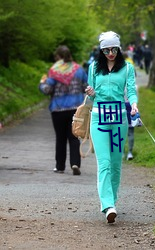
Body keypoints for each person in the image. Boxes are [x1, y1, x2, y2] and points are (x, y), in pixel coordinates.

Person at [85, 31, 138, 223]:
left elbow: (131, 90)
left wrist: (133, 104)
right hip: (99, 119)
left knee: (116, 163)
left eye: (114, 49)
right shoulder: (93, 68)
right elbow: (91, 97)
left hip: (119, 120)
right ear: (101, 50)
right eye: (106, 50)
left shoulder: (127, 68)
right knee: (104, 162)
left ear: (119, 48)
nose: (110, 53)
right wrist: (90, 92)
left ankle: (112, 201)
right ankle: (107, 205)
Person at [39, 45, 88, 175]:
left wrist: (42, 83)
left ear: (58, 57)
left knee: (60, 138)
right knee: (74, 137)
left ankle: (60, 166)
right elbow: (86, 87)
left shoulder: (54, 71)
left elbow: (47, 90)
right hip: (75, 109)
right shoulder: (79, 70)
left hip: (58, 109)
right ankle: (75, 163)